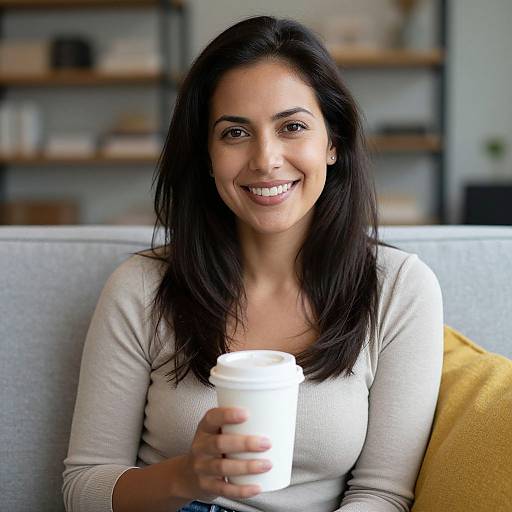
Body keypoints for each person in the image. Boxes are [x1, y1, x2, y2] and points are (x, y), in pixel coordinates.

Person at [62, 15, 443, 512]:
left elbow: (382, 495)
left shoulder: (398, 289)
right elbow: (82, 488)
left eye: (293, 127)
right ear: (206, 154)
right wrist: (184, 477)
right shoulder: (142, 286)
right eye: (235, 132)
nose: (265, 159)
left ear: (333, 143)